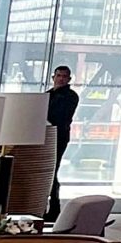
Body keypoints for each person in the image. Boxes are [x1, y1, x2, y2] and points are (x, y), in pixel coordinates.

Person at [45, 64, 78, 218]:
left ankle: (54, 207)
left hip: (59, 136)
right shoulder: (47, 95)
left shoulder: (71, 96)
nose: (61, 79)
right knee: (47, 171)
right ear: (53, 77)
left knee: (53, 170)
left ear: (69, 79)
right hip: (46, 136)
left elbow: (60, 116)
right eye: (59, 76)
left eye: (64, 77)